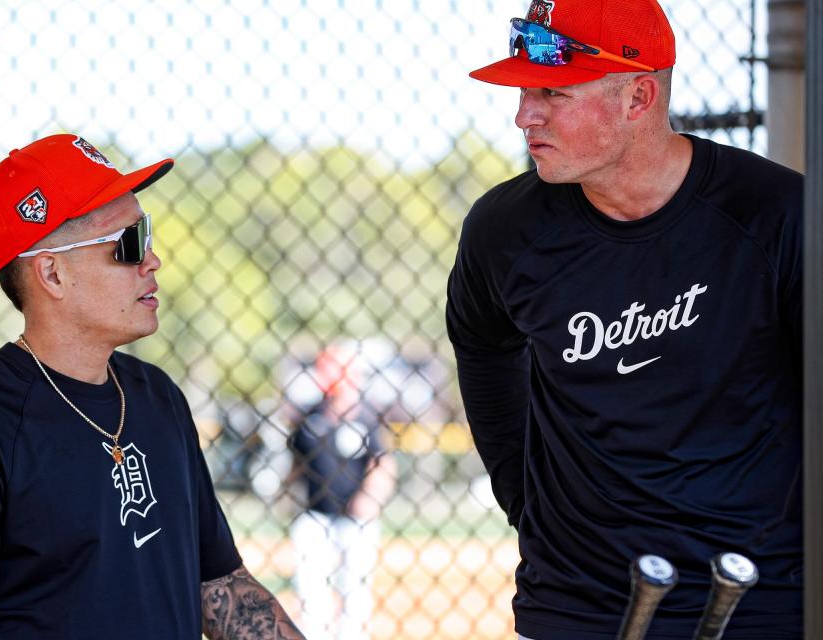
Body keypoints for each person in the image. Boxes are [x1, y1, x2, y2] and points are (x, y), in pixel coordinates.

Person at [446, 1, 803, 638]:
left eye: (552, 92)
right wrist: (523, 498)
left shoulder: (776, 215)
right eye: (525, 91)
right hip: (578, 602)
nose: (524, 114)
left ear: (637, 96)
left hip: (756, 596)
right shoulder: (505, 231)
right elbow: (482, 348)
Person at [0, 134, 306, 640]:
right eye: (129, 243)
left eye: (148, 234)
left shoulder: (158, 397)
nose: (152, 260)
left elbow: (221, 586)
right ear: (52, 273)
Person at [286, 341, 396, 640]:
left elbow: (383, 464)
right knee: (311, 590)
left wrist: (370, 497)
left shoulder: (366, 418)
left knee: (355, 592)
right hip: (316, 514)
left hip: (355, 518)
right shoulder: (310, 417)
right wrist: (284, 493)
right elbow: (295, 462)